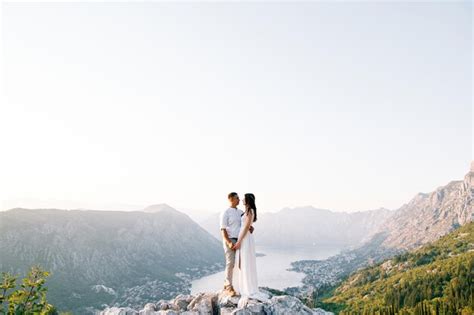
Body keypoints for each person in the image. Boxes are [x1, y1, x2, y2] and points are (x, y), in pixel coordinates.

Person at [232, 193, 269, 308]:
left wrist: (239, 241)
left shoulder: (250, 211)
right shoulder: (247, 211)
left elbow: (246, 227)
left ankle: (248, 287)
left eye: (243, 198)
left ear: (247, 200)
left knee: (245, 261)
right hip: (245, 237)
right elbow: (247, 226)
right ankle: (244, 285)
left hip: (245, 239)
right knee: (242, 262)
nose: (242, 199)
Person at [219, 192, 253, 297]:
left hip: (240, 241)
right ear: (231, 199)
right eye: (237, 198)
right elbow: (222, 229)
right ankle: (228, 285)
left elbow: (244, 224)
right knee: (231, 263)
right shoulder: (225, 212)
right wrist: (228, 242)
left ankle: (242, 285)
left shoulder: (241, 212)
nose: (239, 200)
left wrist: (250, 227)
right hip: (230, 240)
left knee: (241, 263)